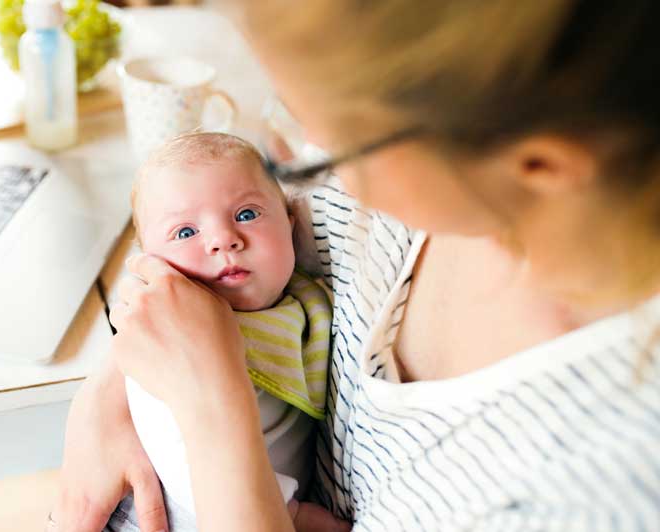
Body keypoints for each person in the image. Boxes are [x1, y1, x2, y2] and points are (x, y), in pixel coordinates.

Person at [52, 1, 660, 530]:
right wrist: (110, 391)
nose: (312, 164)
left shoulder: (586, 491)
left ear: (537, 168)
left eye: (334, 144)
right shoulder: (397, 198)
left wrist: (212, 401)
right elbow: (187, 276)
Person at [104, 132, 336, 531]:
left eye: (247, 214)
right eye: (185, 232)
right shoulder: (168, 344)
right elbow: (174, 454)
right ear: (150, 262)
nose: (222, 239)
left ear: (291, 225)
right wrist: (290, 511)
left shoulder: (306, 301)